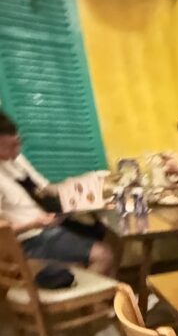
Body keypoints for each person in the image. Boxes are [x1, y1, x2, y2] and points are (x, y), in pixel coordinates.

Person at [0, 113, 114, 275]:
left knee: (101, 231)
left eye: (18, 142)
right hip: (30, 238)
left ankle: (105, 295)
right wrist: (34, 224)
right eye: (9, 147)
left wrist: (82, 185)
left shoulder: (16, 159)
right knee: (104, 255)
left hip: (49, 223)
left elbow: (47, 188)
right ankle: (84, 298)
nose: (17, 151)